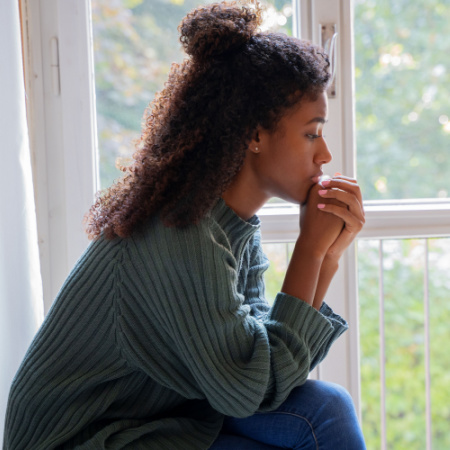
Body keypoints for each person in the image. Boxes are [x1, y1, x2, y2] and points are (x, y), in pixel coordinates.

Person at [4, 1, 366, 448]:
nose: (324, 154)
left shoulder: (229, 225)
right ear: (254, 135)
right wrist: (310, 251)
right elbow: (247, 390)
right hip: (92, 439)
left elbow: (263, 370)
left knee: (325, 409)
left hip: (161, 419)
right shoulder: (183, 232)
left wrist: (326, 257)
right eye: (312, 132)